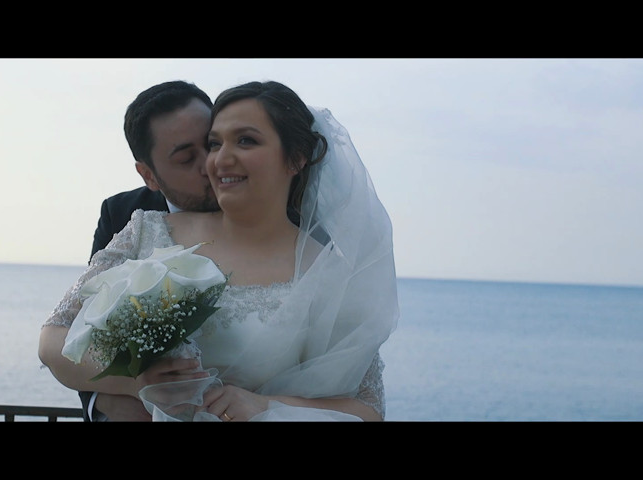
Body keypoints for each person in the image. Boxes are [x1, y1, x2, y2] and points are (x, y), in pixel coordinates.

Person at [39, 80, 399, 421]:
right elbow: (56, 337)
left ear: (296, 158)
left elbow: (368, 408)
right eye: (216, 143)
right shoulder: (146, 231)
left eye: (245, 141)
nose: (218, 160)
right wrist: (138, 384)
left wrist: (264, 407)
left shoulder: (329, 271)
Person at [48, 80, 220, 421]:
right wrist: (123, 389)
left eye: (213, 144)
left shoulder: (283, 215)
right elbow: (86, 329)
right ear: (149, 175)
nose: (211, 165)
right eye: (187, 158)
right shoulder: (126, 217)